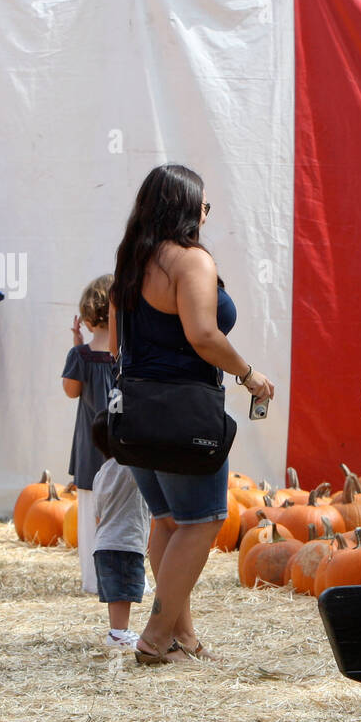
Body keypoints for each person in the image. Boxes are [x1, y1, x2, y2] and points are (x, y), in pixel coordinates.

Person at [109, 164, 273, 665]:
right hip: (185, 411)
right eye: (203, 205)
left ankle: (183, 638)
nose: (206, 215)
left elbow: (117, 343)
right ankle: (155, 640)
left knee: (167, 522)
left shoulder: (131, 262)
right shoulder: (190, 262)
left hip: (136, 410)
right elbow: (204, 335)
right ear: (187, 209)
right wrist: (250, 375)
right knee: (203, 522)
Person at [61, 274, 115, 598]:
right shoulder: (127, 355)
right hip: (123, 452)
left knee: (89, 517)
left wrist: (77, 347)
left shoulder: (80, 356)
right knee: (125, 515)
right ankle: (131, 577)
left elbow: (71, 391)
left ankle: (93, 580)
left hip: (90, 451)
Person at [92, 458, 150, 649]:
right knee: (123, 591)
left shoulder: (102, 472)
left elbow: (98, 512)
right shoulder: (130, 468)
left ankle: (118, 630)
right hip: (125, 541)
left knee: (116, 592)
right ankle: (118, 633)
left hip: (103, 541)